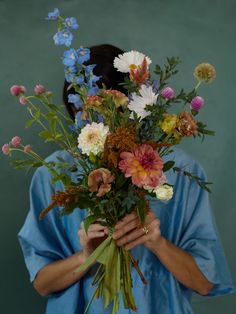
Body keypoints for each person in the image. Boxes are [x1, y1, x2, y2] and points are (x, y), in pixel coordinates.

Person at [18, 44, 234, 314]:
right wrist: (87, 256)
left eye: (109, 110)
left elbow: (204, 283)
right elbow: (42, 284)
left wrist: (157, 242)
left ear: (134, 105)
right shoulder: (53, 174)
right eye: (84, 111)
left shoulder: (179, 169)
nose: (96, 122)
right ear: (73, 113)